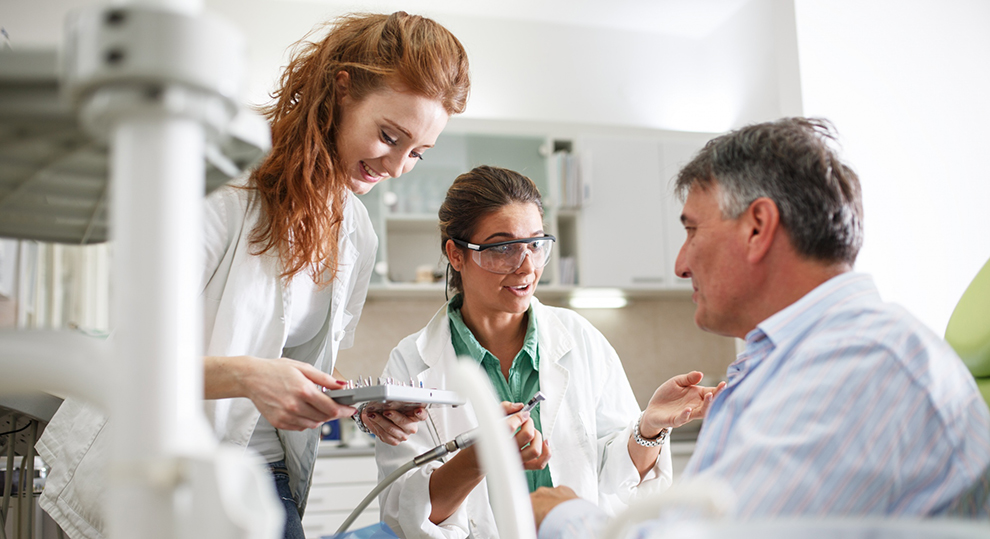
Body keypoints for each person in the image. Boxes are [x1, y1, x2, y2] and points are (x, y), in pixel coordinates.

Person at [36, 11, 469, 539]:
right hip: (154, 466)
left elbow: (294, 367)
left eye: (417, 153)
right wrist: (246, 376)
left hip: (262, 477)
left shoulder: (356, 232)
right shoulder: (222, 183)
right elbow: (114, 357)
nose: (397, 166)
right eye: (388, 135)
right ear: (341, 90)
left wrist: (359, 407)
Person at [531, 117, 990, 538]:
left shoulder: (857, 364)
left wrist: (565, 517)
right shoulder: (794, 361)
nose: (679, 264)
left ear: (757, 228)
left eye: (692, 231)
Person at [373, 165, 724, 539]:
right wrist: (481, 457)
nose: (526, 266)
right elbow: (406, 513)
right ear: (456, 255)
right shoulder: (414, 361)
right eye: (503, 247)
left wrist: (649, 428)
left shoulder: (579, 338)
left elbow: (615, 481)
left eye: (536, 244)